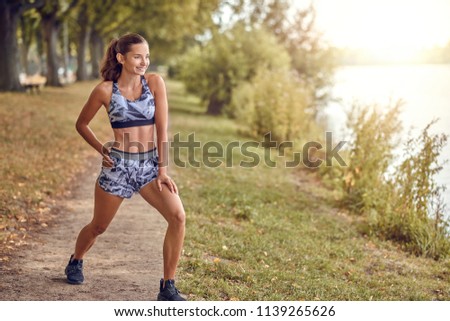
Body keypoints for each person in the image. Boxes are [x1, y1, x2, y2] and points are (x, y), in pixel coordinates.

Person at [65, 33, 186, 301]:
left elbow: (163, 129)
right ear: (121, 58)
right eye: (138, 56)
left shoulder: (154, 83)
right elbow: (81, 124)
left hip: (149, 167)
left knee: (178, 217)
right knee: (98, 226)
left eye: (147, 56)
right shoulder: (104, 90)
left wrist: (163, 170)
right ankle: (76, 260)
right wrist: (101, 148)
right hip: (118, 167)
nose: (145, 62)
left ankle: (168, 286)